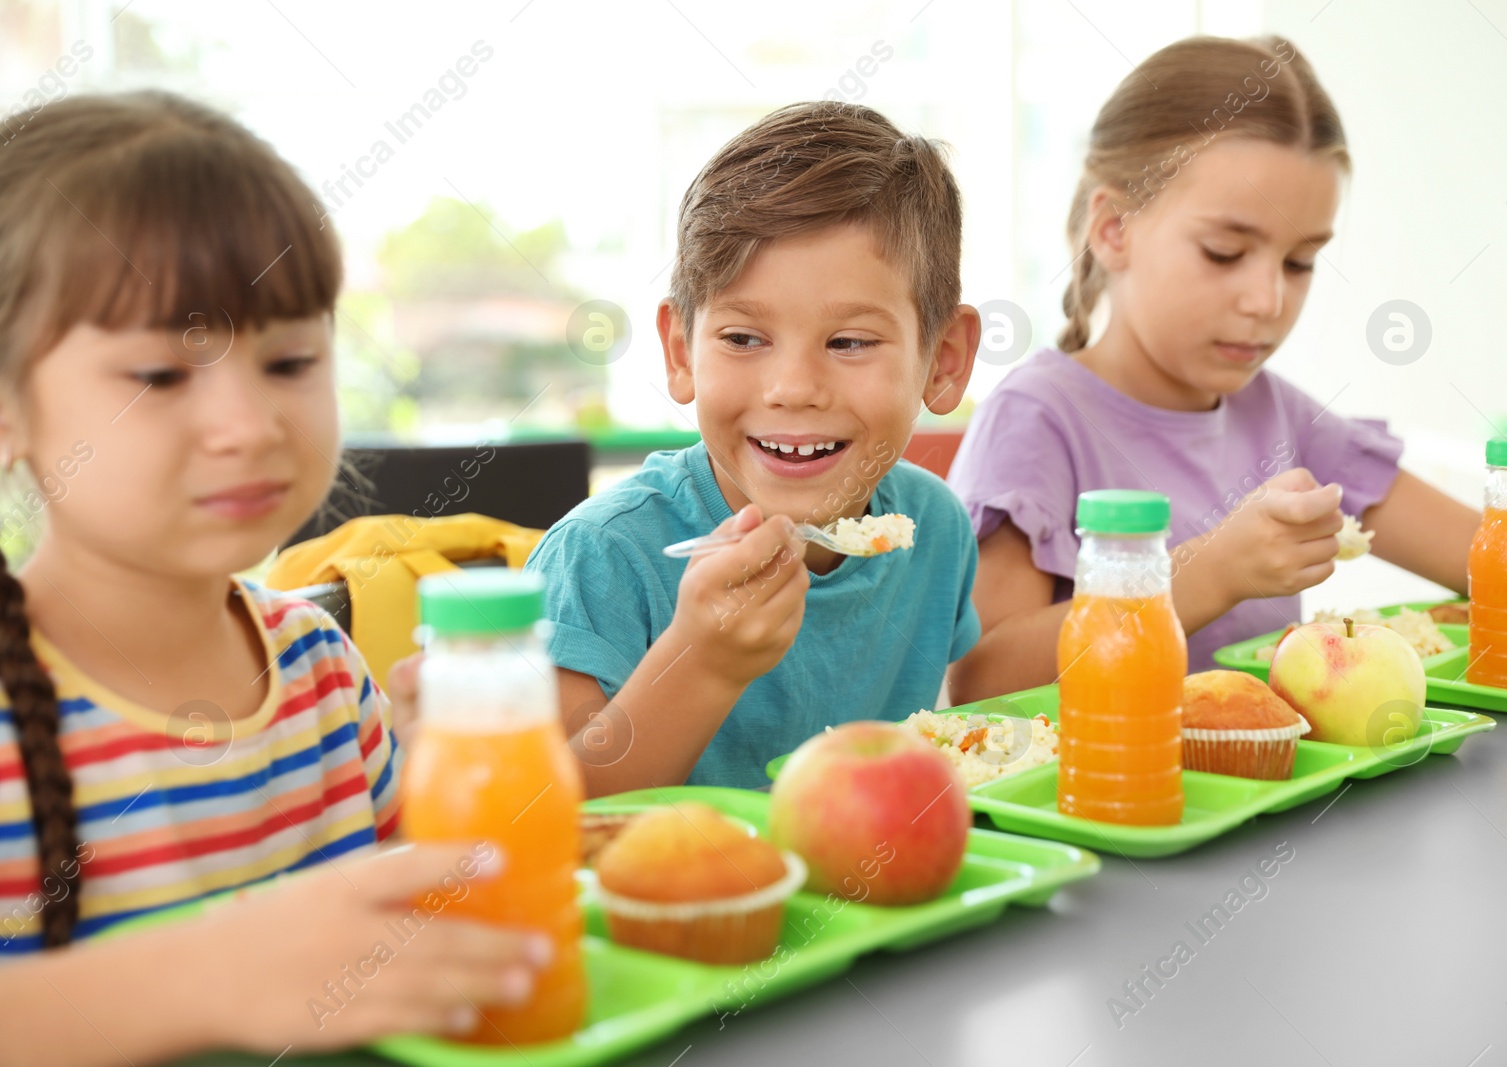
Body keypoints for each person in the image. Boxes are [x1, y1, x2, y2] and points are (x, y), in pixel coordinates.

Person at [0, 92, 544, 1067]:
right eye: (163, 374)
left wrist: (444, 783)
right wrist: (211, 976)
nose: (248, 423)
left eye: (290, 359)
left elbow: (399, 942)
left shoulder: (326, 671)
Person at [946, 35, 1486, 700]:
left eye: (1300, 261)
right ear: (1114, 228)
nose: (1269, 301)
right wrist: (1210, 573)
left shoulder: (1286, 419)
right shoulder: (1040, 417)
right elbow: (980, 680)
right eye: (1225, 252)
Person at [524, 101, 982, 793]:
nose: (793, 388)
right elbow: (545, 817)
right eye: (744, 338)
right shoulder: (602, 557)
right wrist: (700, 662)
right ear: (681, 352)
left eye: (850, 342)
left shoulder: (936, 530)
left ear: (943, 360)